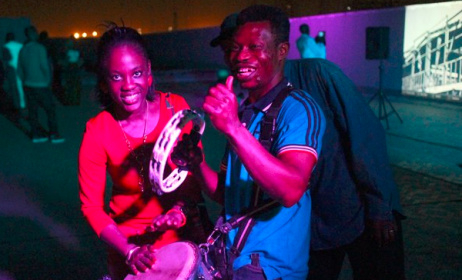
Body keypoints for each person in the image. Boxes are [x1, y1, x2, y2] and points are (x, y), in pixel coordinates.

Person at [188, 5, 325, 279]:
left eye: (254, 47)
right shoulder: (245, 113)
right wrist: (196, 163)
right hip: (231, 261)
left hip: (270, 270)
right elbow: (227, 195)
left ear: (282, 50)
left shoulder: (299, 109)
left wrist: (234, 128)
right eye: (236, 47)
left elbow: (290, 190)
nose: (241, 56)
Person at [77, 25, 212, 280]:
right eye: (116, 77)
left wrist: (180, 212)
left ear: (149, 73)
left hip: (181, 241)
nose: (129, 85)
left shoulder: (176, 110)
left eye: (136, 73)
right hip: (129, 247)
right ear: (104, 82)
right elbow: (91, 207)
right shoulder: (97, 131)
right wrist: (129, 251)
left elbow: (192, 177)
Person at [284, 58, 406, 280]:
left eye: (252, 45)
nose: (240, 56)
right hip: (316, 224)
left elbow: (365, 133)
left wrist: (380, 206)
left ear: (278, 46)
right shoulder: (257, 100)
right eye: (231, 49)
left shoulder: (317, 73)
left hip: (362, 212)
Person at [17, 26, 65, 143]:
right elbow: (44, 66)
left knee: (33, 111)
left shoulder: (23, 50)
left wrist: (24, 81)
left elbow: (19, 70)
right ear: (34, 34)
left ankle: (36, 135)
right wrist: (48, 80)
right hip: (41, 85)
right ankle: (53, 134)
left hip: (28, 85)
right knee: (50, 110)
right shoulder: (40, 48)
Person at [2, 32, 26, 115]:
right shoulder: (21, 45)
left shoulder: (6, 46)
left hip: (12, 69)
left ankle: (17, 107)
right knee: (21, 88)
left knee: (13, 88)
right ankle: (23, 105)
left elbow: (6, 60)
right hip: (21, 68)